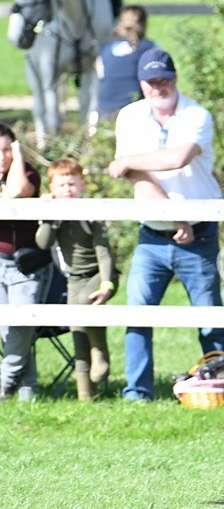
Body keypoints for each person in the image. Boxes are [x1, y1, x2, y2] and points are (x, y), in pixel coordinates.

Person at [107, 47, 224, 402]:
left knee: (209, 316)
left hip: (200, 233)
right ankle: (137, 394)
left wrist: (128, 159)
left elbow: (177, 157)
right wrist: (174, 216)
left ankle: (223, 383)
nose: (157, 87)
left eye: (163, 79)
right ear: (141, 83)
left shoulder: (197, 114)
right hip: (153, 234)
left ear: (175, 78)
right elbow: (137, 177)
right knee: (137, 313)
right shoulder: (129, 117)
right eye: (150, 81)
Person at [34, 159, 117, 400]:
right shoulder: (54, 213)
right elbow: (43, 243)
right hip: (74, 278)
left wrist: (107, 284)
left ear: (82, 185)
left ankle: (100, 350)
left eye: (72, 184)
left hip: (99, 274)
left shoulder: (91, 213)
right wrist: (49, 216)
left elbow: (104, 251)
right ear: (52, 187)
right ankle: (86, 397)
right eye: (61, 185)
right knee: (77, 330)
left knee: (83, 302)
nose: (67, 190)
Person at [0, 125, 50, 402]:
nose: (2, 157)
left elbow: (18, 191)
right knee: (8, 329)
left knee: (21, 326)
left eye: (7, 149)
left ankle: (3, 383)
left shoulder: (27, 172)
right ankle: (27, 389)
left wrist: (18, 157)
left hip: (26, 265)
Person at [96, 5, 157, 118]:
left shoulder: (105, 48)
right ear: (144, 24)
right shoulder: (150, 47)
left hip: (104, 112)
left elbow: (101, 76)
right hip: (136, 112)